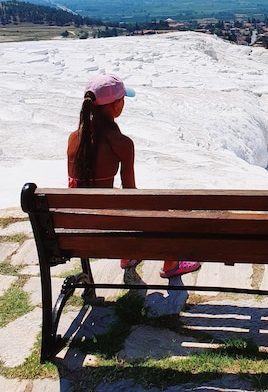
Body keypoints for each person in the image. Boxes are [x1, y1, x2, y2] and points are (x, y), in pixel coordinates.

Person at [67, 72, 200, 278]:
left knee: (114, 201)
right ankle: (170, 265)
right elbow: (130, 192)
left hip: (77, 224)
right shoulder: (121, 143)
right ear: (116, 105)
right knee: (166, 213)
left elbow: (78, 184)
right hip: (110, 224)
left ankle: (129, 256)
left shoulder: (74, 138)